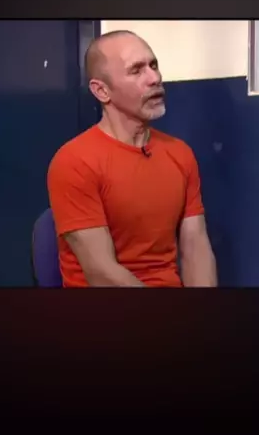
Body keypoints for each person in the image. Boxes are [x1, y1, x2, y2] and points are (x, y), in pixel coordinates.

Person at [47, 29, 217, 287]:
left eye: (153, 65)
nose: (155, 78)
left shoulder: (180, 154)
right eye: (136, 70)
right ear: (102, 91)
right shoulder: (74, 162)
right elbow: (101, 273)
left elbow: (196, 247)